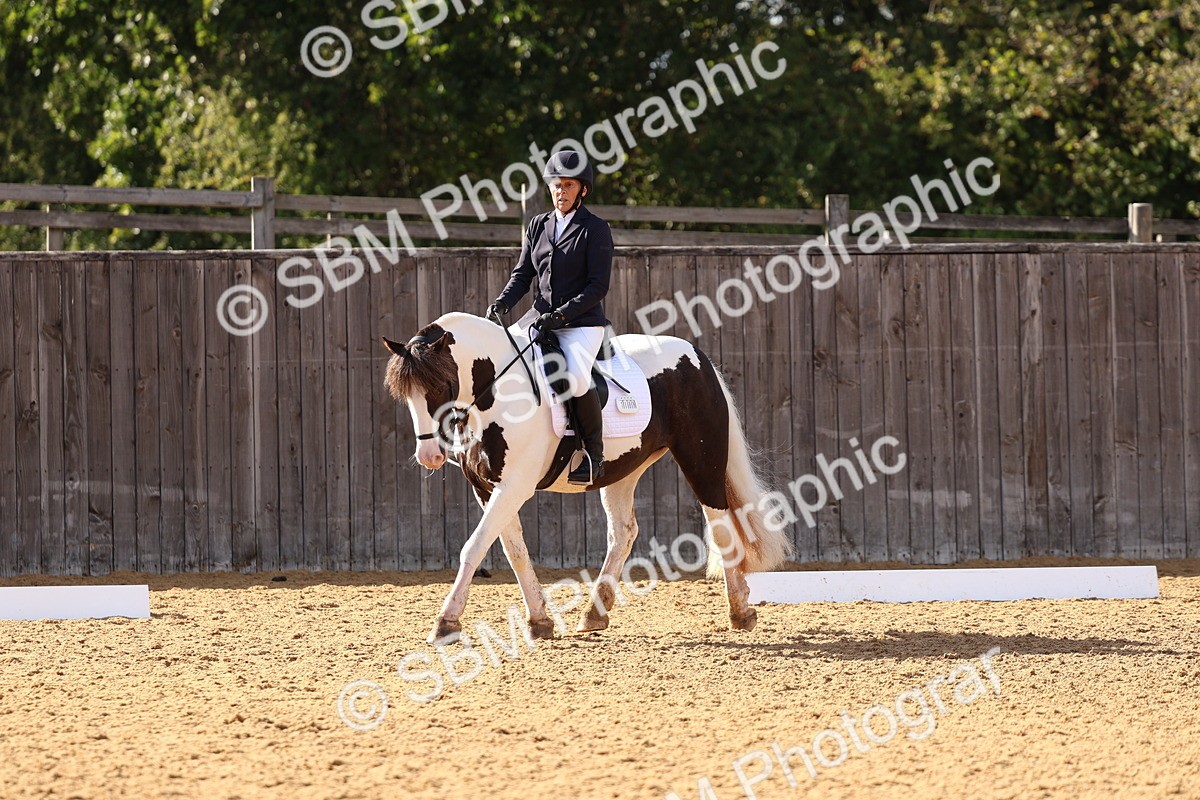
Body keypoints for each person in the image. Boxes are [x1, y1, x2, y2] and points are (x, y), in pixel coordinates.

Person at [487, 150, 613, 485]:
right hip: (539, 318)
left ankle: (593, 455)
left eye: (568, 185)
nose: (561, 191)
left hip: (581, 325)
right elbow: (523, 273)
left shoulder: (596, 230)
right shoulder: (538, 225)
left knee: (575, 377)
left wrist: (560, 315)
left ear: (582, 190)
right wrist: (503, 301)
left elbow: (598, 286)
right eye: (556, 185)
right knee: (503, 359)